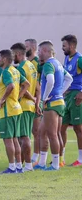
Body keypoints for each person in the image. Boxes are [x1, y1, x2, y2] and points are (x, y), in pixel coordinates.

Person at [36, 41, 72, 170]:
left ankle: (55, 164)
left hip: (52, 103)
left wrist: (44, 98)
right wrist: (60, 92)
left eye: (39, 51)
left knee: (52, 134)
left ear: (45, 51)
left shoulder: (48, 64)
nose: (38, 54)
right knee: (43, 132)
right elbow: (69, 79)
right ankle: (42, 163)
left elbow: (50, 81)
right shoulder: (58, 64)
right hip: (59, 101)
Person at [0, 49, 30, 175]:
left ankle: (11, 167)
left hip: (8, 110)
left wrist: (2, 99)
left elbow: (10, 86)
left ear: (4, 59)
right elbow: (26, 84)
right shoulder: (15, 70)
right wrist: (18, 97)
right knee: (15, 139)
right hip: (17, 108)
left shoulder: (6, 72)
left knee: (8, 139)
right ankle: (18, 166)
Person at [12, 42, 38, 172]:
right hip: (31, 106)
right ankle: (21, 165)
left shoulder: (21, 68)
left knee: (23, 137)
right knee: (25, 136)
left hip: (23, 106)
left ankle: (27, 166)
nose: (12, 58)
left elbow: (24, 86)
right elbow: (37, 87)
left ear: (18, 54)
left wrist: (18, 98)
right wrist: (36, 101)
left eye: (13, 55)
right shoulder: (31, 66)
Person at [61, 35, 82, 166]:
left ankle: (81, 159)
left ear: (72, 46)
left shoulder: (79, 59)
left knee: (78, 128)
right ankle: (60, 159)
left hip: (76, 95)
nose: (63, 48)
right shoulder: (67, 58)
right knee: (61, 129)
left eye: (64, 45)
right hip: (66, 96)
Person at [25, 38, 43, 165]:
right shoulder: (27, 63)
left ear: (34, 48)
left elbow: (40, 84)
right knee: (30, 130)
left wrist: (39, 100)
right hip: (28, 100)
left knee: (36, 130)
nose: (25, 49)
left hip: (37, 99)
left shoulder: (38, 63)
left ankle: (37, 157)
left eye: (27, 46)